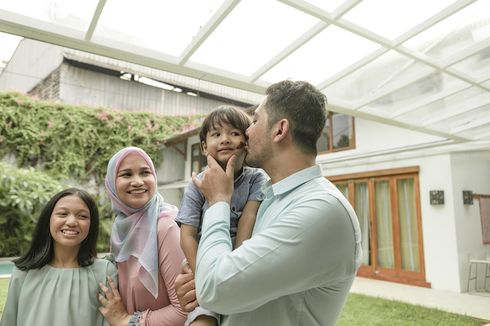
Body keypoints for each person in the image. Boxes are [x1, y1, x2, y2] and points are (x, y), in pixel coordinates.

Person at [175, 80, 362, 326]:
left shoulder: (322, 209)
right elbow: (221, 277)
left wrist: (219, 200)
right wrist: (194, 282)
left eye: (254, 121)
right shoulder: (269, 195)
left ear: (280, 130)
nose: (246, 132)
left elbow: (215, 287)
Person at [175, 106, 267, 325]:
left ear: (247, 141)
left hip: (239, 260)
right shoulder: (198, 183)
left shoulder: (255, 179)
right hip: (204, 261)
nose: (225, 139)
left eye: (234, 133)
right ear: (205, 146)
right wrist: (203, 275)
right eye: (217, 134)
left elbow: (248, 218)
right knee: (203, 318)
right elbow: (187, 235)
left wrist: (232, 266)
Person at [0, 188, 117, 326]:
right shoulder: (23, 273)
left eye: (83, 216)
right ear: (48, 220)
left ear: (92, 225)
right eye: (62, 214)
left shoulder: (104, 273)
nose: (72, 221)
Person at [99, 146, 186, 326]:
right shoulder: (121, 229)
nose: (138, 181)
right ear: (111, 184)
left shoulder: (166, 228)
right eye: (126, 174)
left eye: (145, 172)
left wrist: (128, 321)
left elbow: (184, 310)